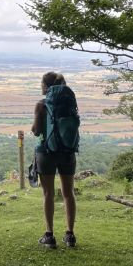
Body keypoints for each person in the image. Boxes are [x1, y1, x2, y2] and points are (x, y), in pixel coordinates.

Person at [31, 71, 76, 249]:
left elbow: (36, 131)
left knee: (48, 194)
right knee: (68, 193)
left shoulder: (41, 105)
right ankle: (70, 235)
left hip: (46, 152)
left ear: (46, 86)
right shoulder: (69, 103)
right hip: (68, 151)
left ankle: (49, 235)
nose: (40, 87)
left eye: (41, 84)